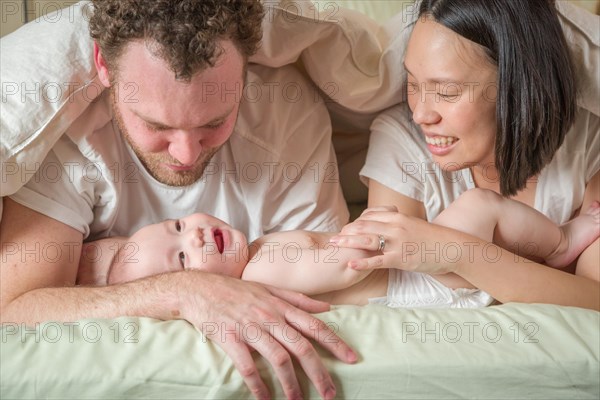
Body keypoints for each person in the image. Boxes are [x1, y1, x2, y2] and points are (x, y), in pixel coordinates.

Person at [0, 1, 354, 399]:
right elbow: (16, 309)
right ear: (103, 65)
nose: (186, 155)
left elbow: (329, 281)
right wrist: (182, 292)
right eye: (155, 125)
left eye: (214, 122)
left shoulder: (285, 117)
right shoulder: (65, 136)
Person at [331, 0, 600, 310]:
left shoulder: (589, 147)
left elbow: (593, 301)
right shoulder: (401, 141)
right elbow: (394, 290)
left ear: (517, 85)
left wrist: (455, 252)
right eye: (413, 84)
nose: (420, 114)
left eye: (446, 92)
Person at [76, 194, 599, 308]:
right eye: (183, 259)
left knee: (477, 218)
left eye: (176, 225)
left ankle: (551, 250)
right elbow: (345, 266)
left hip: (419, 264)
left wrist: (373, 225)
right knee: (478, 207)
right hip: (424, 283)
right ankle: (561, 241)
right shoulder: (261, 270)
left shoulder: (257, 246)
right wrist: (371, 234)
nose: (192, 235)